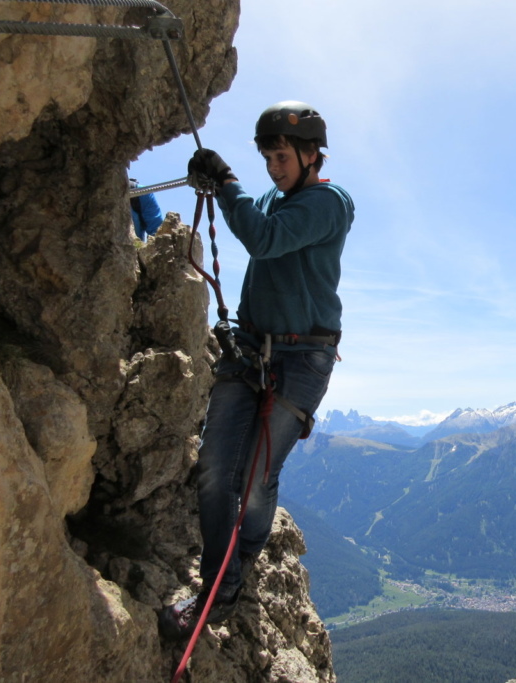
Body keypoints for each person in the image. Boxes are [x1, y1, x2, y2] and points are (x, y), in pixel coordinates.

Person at [159, 101, 354, 639]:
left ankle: (229, 574)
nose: (274, 167)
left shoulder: (330, 202)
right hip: (251, 348)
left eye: (283, 155)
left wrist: (223, 182)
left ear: (312, 155)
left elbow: (264, 237)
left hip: (303, 359)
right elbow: (257, 218)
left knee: (255, 477)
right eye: (268, 156)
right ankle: (224, 580)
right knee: (216, 468)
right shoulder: (272, 197)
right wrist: (222, 185)